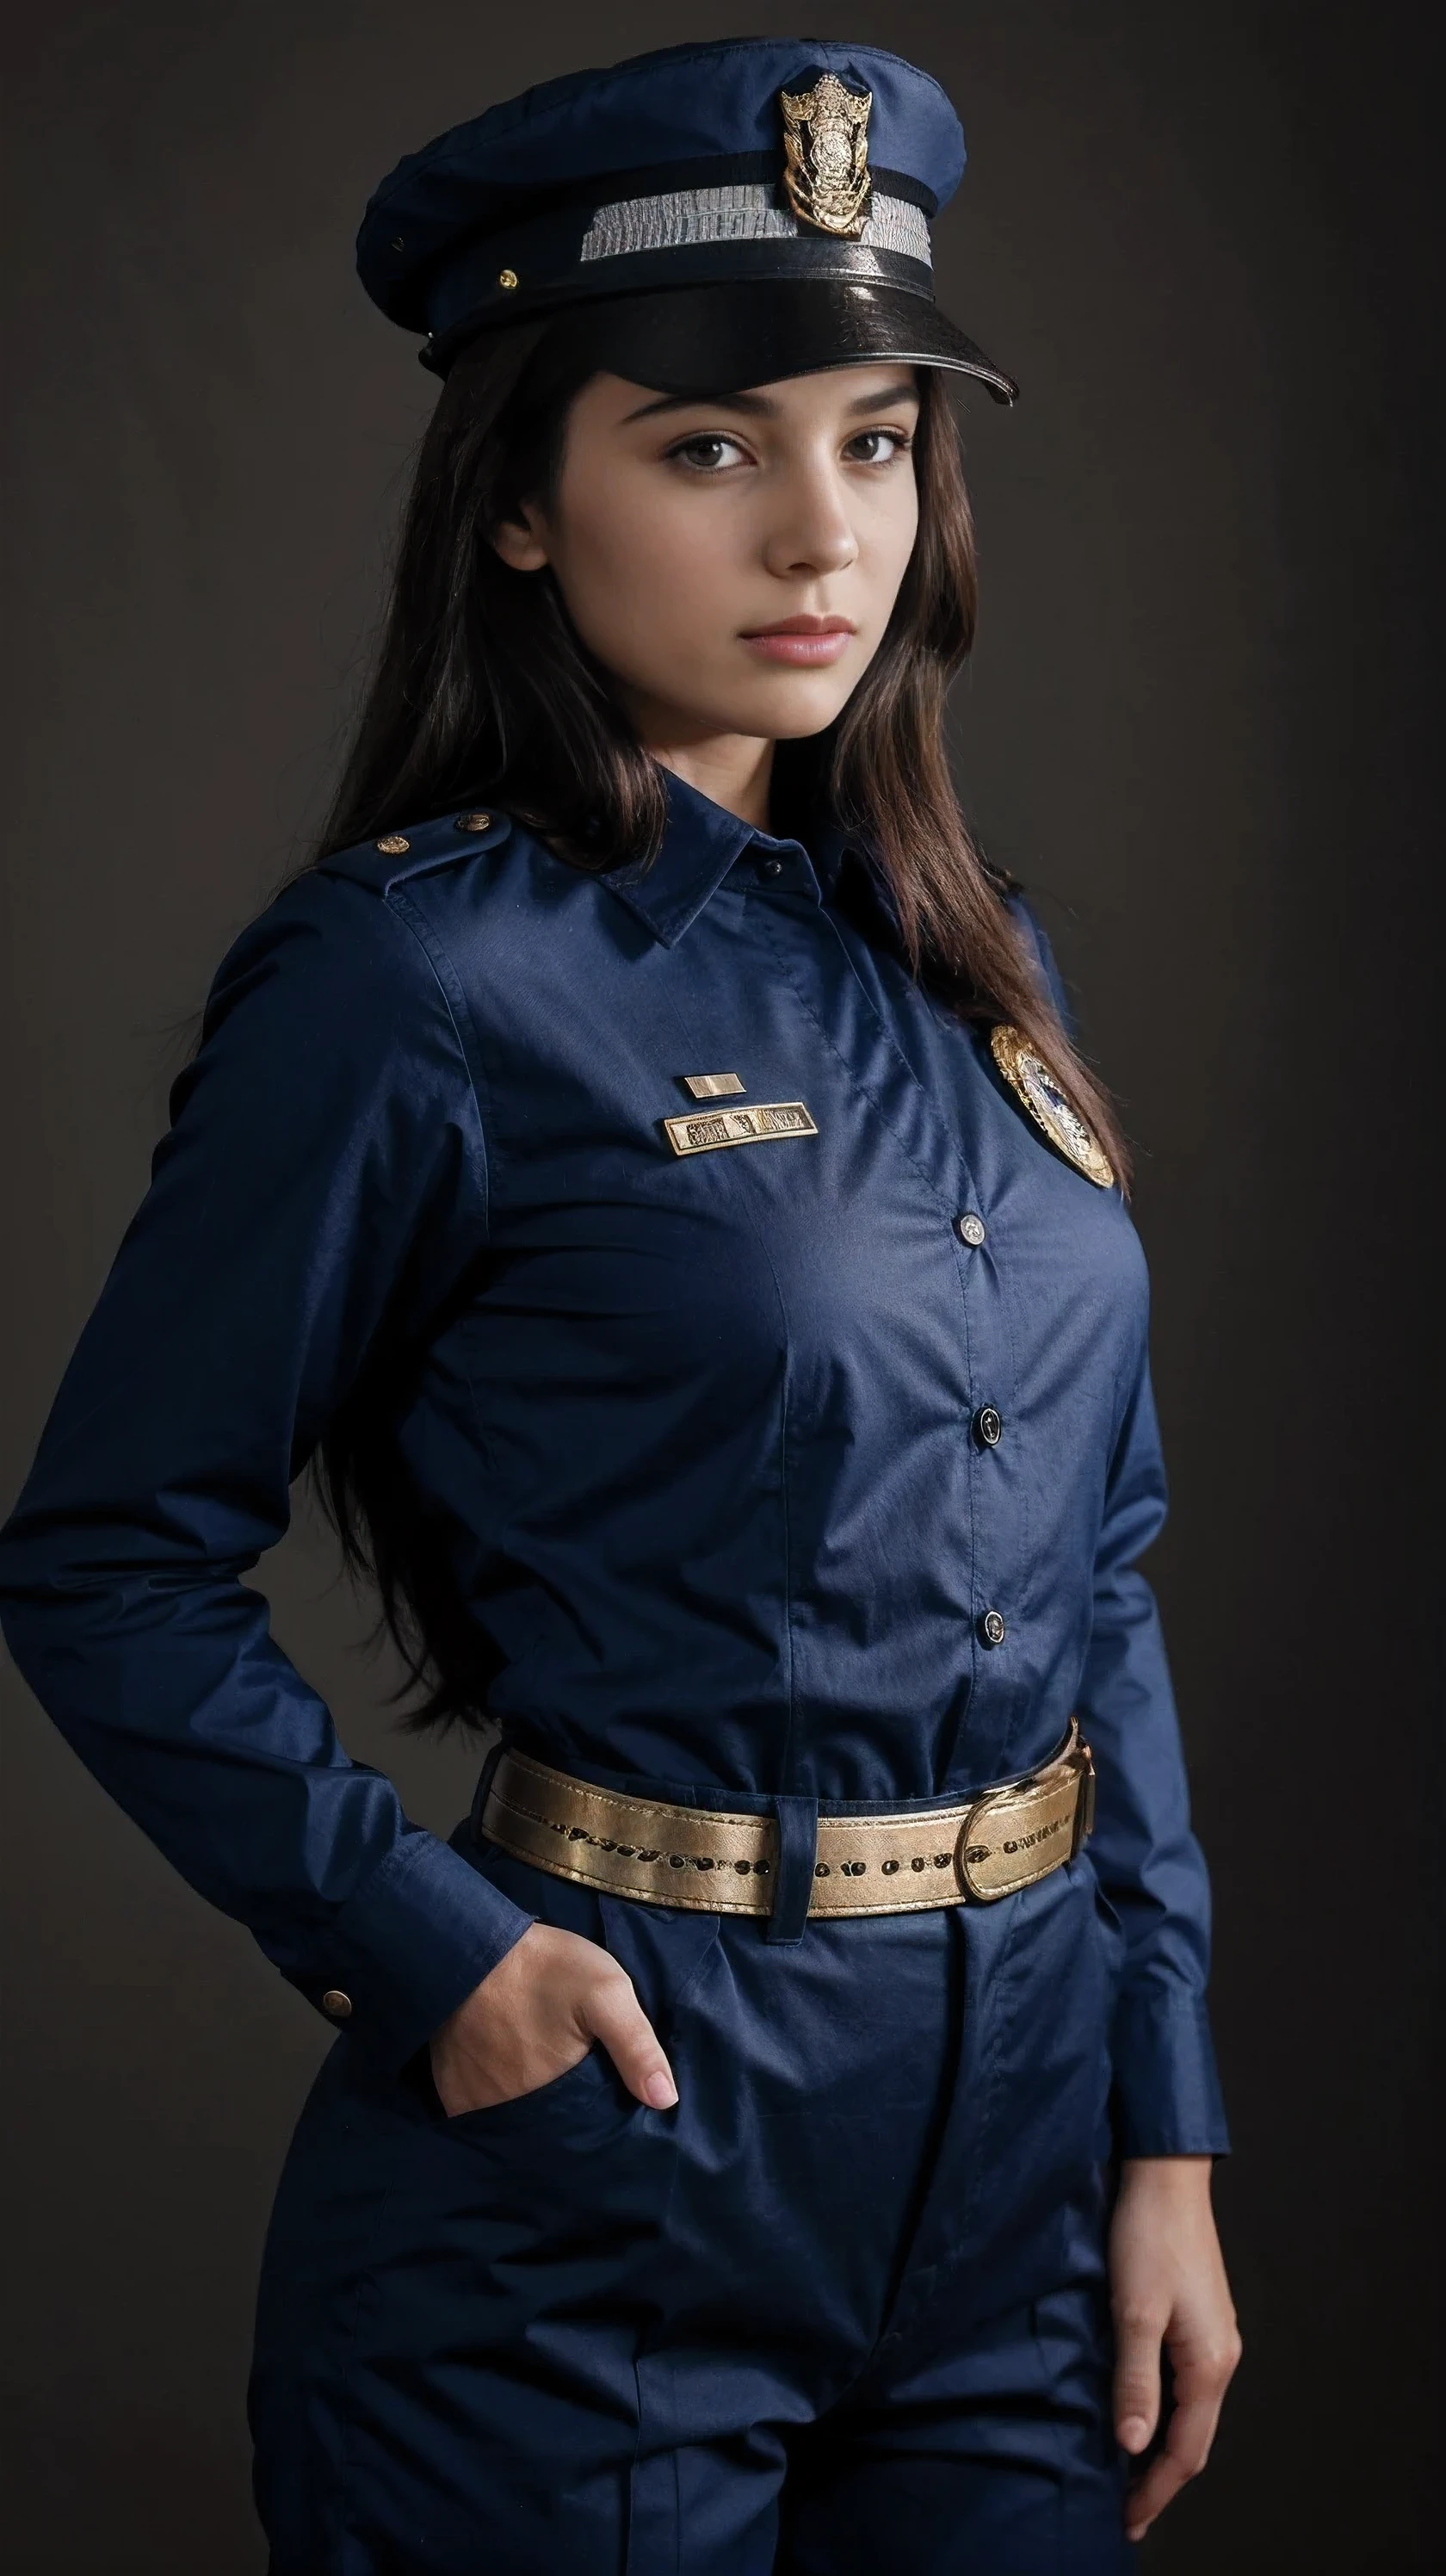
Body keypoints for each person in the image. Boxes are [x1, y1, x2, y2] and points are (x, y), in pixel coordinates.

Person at [0, 34, 1240, 2575]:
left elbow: (1091, 1581)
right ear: (530, 511)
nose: (822, 529)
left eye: (877, 439)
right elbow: (105, 1558)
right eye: (709, 446)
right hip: (610, 2160)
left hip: (1014, 2175)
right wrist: (435, 1957)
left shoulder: (994, 968)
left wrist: (1166, 2125)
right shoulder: (411, 984)